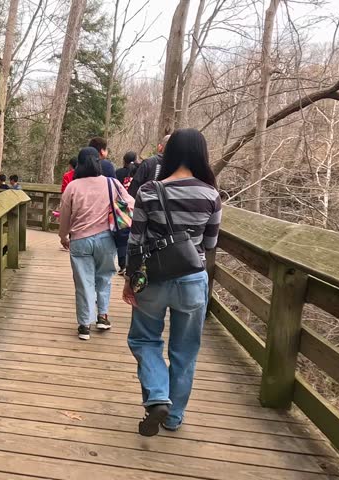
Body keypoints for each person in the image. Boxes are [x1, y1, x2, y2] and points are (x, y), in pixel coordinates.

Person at [121, 128, 222, 437]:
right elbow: (210, 243)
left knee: (144, 340)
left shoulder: (149, 190)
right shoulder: (211, 195)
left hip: (153, 277)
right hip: (192, 279)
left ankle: (156, 397)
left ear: (170, 152)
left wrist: (130, 280)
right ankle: (174, 416)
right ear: (201, 154)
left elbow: (135, 241)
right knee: (185, 350)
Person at [60, 147, 134, 340]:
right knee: (104, 277)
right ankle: (102, 316)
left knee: (84, 282)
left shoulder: (72, 187)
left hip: (79, 240)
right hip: (106, 238)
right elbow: (131, 203)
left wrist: (63, 236)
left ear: (79, 164)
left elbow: (64, 216)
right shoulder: (111, 183)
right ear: (98, 162)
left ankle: (84, 324)